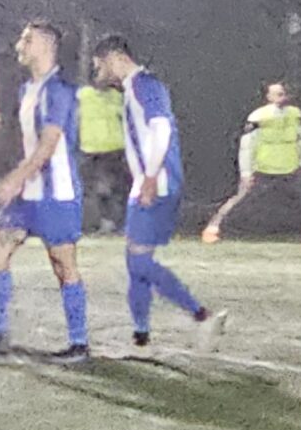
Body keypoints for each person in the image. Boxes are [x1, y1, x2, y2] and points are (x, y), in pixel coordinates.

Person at [91, 35, 225, 350]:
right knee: (135, 263)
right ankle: (140, 334)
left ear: (115, 58)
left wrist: (151, 177)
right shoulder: (132, 90)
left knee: (139, 263)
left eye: (99, 66)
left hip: (158, 183)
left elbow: (161, 128)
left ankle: (202, 316)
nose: (98, 73)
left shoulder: (145, 85)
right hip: (148, 182)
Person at [0, 21, 89, 362]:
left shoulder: (59, 91)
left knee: (63, 264)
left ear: (46, 45)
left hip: (56, 194)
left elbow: (48, 145)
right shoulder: (27, 90)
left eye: (27, 39)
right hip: (27, 194)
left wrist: (13, 179)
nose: (19, 45)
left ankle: (79, 343)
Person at [201, 81, 301, 244]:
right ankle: (212, 229)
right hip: (263, 168)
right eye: (278, 93)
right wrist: (246, 173)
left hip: (291, 167)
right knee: (241, 197)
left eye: (284, 93)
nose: (282, 96)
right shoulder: (258, 116)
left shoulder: (296, 115)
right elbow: (247, 146)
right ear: (268, 97)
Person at [77, 80, 129, 234]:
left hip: (112, 149)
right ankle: (99, 223)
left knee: (110, 189)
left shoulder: (116, 97)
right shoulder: (83, 95)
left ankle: (111, 223)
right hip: (90, 149)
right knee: (94, 189)